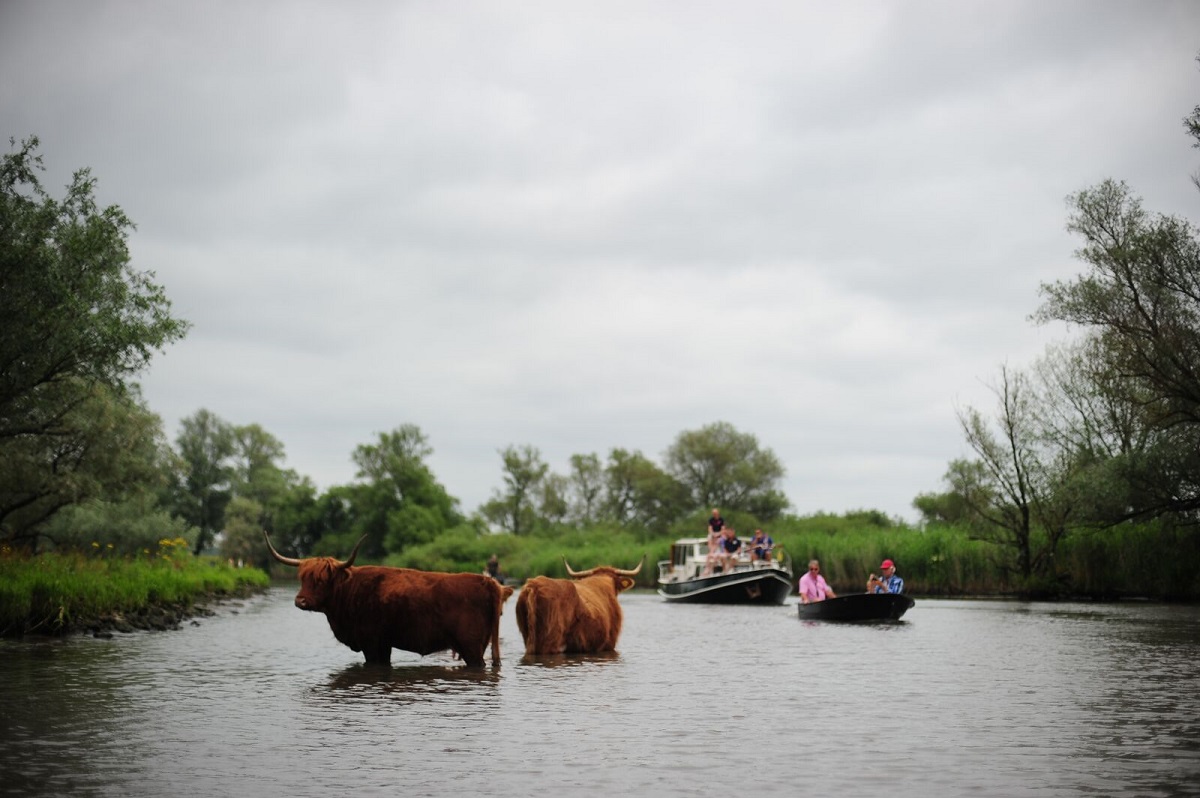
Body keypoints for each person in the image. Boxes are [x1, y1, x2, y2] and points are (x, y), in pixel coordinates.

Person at [702, 508, 725, 576]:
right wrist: (713, 534)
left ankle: (723, 571)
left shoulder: (721, 520)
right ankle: (708, 570)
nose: (714, 514)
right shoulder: (711, 520)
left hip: (719, 534)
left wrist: (718, 534)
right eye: (713, 513)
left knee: (720, 540)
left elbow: (723, 529)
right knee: (710, 556)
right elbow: (710, 529)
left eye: (716, 513)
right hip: (713, 534)